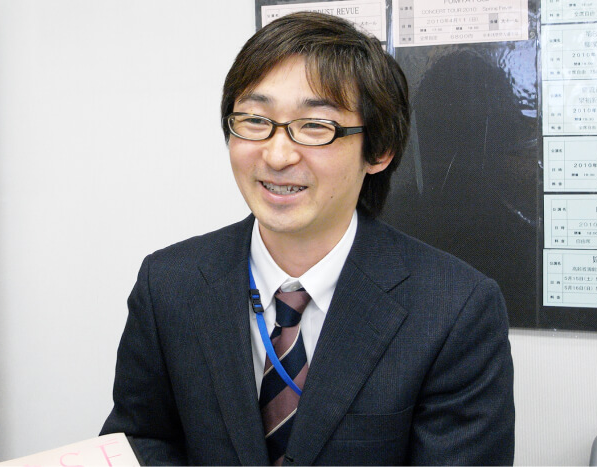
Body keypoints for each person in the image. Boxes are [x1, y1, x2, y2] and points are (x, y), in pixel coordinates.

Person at [101, 11, 514, 466]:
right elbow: (139, 440)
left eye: (315, 126)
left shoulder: (456, 309)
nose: (277, 155)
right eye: (254, 120)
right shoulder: (168, 284)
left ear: (379, 150)